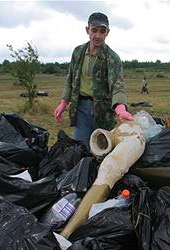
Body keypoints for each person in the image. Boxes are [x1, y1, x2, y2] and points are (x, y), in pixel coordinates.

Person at [53, 12, 134, 150]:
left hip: (103, 111)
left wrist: (120, 108)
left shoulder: (112, 58)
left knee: (101, 150)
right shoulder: (78, 52)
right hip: (81, 109)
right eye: (94, 30)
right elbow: (70, 78)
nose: (97, 35)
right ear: (87, 30)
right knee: (80, 148)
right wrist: (63, 102)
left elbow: (117, 84)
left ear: (107, 33)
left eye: (102, 31)